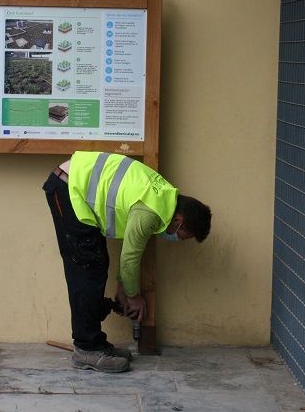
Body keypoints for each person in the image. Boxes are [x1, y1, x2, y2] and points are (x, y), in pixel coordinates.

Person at [43, 151, 212, 373]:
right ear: (179, 220)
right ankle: (86, 349)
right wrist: (133, 297)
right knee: (87, 268)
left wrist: (123, 288)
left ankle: (95, 343)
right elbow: (130, 256)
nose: (176, 239)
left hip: (72, 186)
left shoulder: (163, 197)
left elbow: (129, 250)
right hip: (68, 188)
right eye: (181, 236)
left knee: (96, 263)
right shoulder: (150, 212)